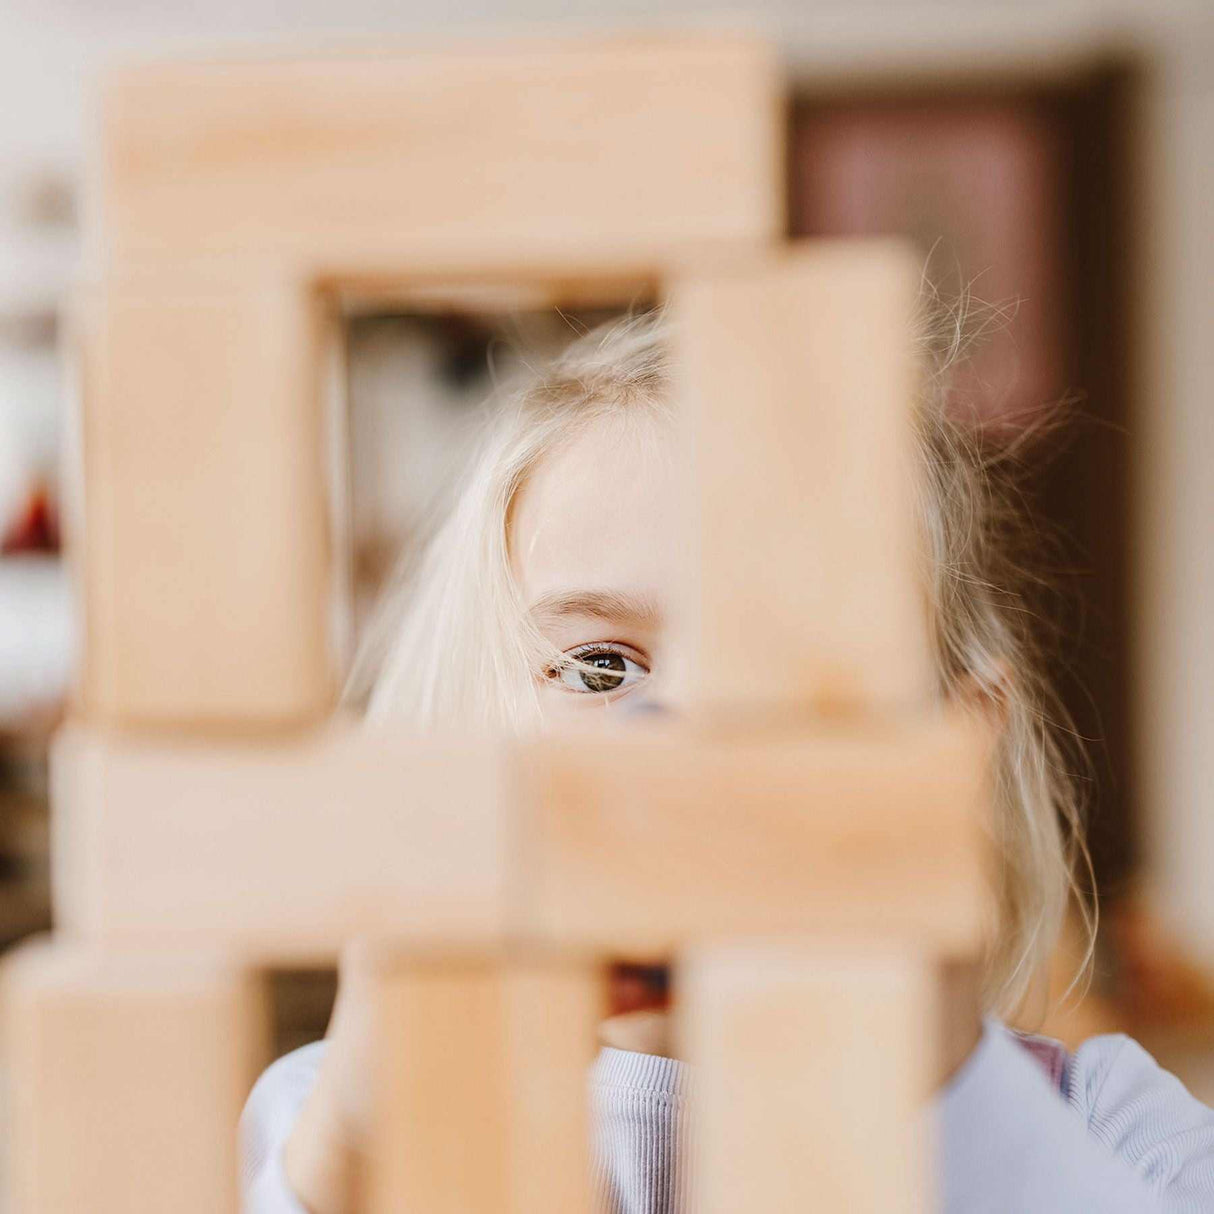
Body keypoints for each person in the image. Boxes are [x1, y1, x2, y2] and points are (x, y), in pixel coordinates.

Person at [241, 308, 1214, 1212]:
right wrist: (360, 1139)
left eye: (780, 671)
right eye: (599, 667)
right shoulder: (331, 1120)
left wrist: (943, 1074)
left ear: (954, 750)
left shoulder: (1102, 1121)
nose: (682, 744)